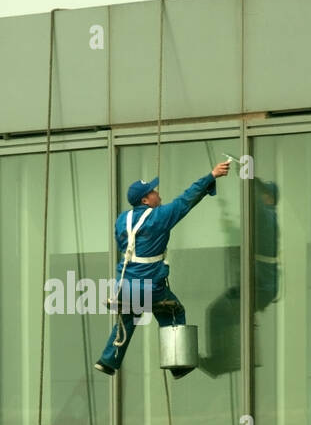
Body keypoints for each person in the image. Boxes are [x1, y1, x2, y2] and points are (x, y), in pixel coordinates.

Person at [94, 160, 232, 377]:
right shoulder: (160, 217)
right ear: (145, 200)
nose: (158, 193)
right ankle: (178, 365)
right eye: (153, 191)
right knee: (173, 311)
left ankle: (108, 360)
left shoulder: (122, 219)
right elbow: (187, 199)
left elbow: (126, 246)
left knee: (129, 315)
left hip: (125, 283)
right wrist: (211, 176)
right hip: (151, 284)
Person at [199, 179, 280, 378]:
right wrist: (231, 230)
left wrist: (248, 178)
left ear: (269, 199)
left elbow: (255, 206)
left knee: (218, 312)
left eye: (263, 194)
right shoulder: (266, 222)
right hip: (257, 285)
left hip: (258, 286)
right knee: (222, 313)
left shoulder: (267, 217)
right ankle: (224, 358)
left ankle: (221, 361)